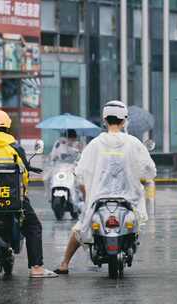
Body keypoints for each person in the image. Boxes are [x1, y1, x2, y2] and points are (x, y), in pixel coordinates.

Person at [54, 100, 157, 274]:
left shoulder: (94, 144)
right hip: (128, 199)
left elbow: (79, 172)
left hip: (98, 199)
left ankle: (64, 263)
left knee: (80, 228)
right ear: (124, 121)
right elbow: (150, 171)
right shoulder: (134, 143)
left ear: (104, 120)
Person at [0, 110, 57, 278]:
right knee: (33, 227)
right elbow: (24, 174)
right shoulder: (14, 146)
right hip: (12, 199)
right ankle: (36, 267)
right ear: (7, 125)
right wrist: (23, 191)